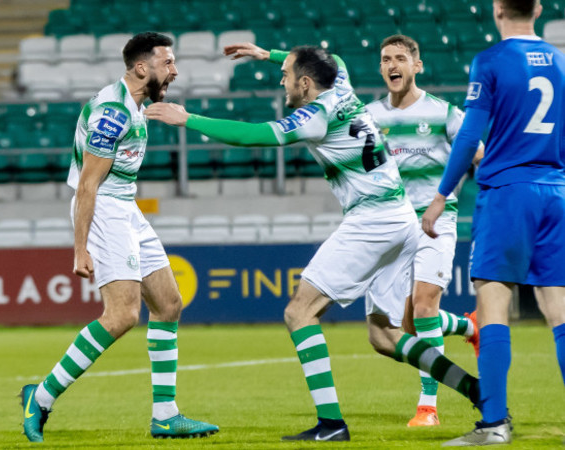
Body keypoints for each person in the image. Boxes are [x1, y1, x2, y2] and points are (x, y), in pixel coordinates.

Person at [146, 42, 481, 442]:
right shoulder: (340, 83)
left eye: (286, 77)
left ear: (305, 83)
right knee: (384, 335)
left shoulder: (316, 116)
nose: (282, 82)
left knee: (298, 312)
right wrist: (266, 54)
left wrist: (188, 118)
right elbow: (334, 58)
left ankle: (331, 423)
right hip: (401, 218)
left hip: (371, 220)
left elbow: (255, 136)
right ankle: (476, 389)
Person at [19, 32, 219, 442]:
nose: (175, 70)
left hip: (125, 207)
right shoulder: (113, 113)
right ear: (142, 68)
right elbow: (88, 185)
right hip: (104, 210)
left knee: (168, 304)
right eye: (168, 63)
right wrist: (80, 247)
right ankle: (40, 397)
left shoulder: (135, 106)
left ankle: (165, 416)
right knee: (123, 315)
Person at [422, 0, 565, 446]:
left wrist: (442, 194)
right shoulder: (562, 60)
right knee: (559, 311)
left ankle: (494, 424)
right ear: (538, 8)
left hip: (508, 195)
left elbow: (469, 135)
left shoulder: (490, 61)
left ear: (498, 8)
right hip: (557, 193)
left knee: (493, 305)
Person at [366, 34, 483, 427]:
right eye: (386, 59)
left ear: (418, 66)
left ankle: (428, 406)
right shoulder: (369, 117)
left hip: (436, 221)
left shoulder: (443, 112)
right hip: (391, 227)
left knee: (423, 307)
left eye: (400, 58)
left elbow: (478, 151)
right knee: (400, 329)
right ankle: (469, 326)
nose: (392, 64)